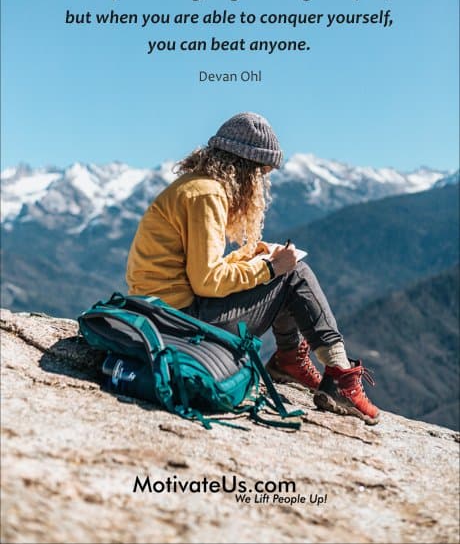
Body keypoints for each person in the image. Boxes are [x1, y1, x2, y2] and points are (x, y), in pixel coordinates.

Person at [126, 112, 379, 425]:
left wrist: (250, 258)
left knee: (285, 270)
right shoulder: (208, 195)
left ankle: (289, 360)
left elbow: (192, 269)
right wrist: (270, 270)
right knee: (294, 273)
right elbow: (207, 282)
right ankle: (341, 376)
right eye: (261, 173)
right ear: (245, 168)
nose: (261, 183)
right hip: (181, 323)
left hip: (161, 314)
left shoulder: (194, 186)